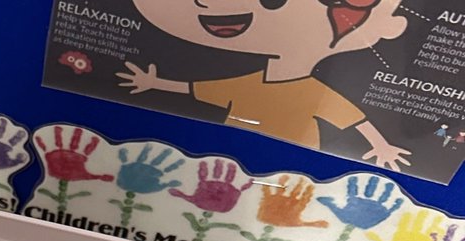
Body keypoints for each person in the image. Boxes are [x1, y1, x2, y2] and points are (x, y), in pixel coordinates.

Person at [117, 0, 411, 169]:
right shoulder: (249, 84)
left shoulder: (312, 91)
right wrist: (154, 82)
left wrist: (382, 146)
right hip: (226, 155)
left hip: (292, 161)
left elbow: (354, 119)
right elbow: (196, 89)